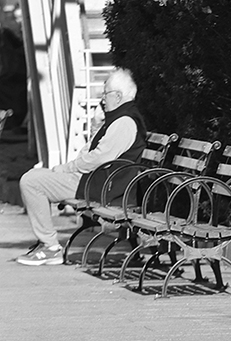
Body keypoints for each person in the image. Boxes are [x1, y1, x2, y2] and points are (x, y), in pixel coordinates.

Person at [16, 68, 147, 266]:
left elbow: (99, 159)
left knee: (31, 181)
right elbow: (92, 153)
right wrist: (96, 125)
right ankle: (47, 244)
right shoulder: (117, 119)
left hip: (102, 188)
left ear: (118, 96)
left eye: (106, 93)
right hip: (96, 182)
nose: (102, 99)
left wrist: (66, 168)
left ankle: (50, 247)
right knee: (35, 175)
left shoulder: (125, 122)